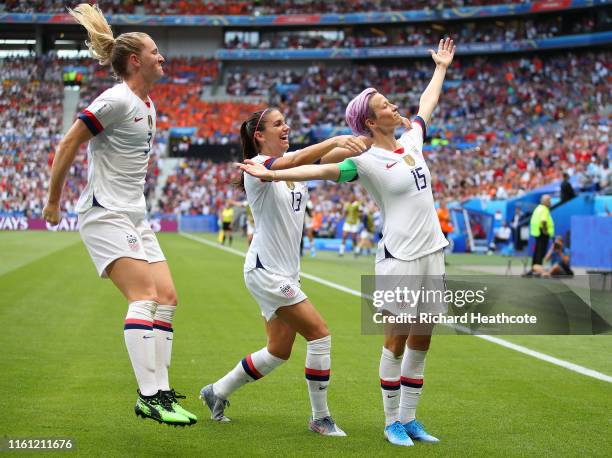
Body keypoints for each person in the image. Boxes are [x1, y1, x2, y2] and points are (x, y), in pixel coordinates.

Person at [238, 37, 456, 447]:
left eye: (391, 103)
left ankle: (411, 419)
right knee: (396, 340)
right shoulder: (365, 161)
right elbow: (320, 172)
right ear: (371, 123)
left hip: (432, 252)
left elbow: (427, 105)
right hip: (400, 256)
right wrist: (273, 175)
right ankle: (391, 422)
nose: (394, 107)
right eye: (385, 106)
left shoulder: (412, 140)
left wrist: (440, 67)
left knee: (423, 338)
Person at [41, 3, 196, 425]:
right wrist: (53, 202)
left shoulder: (147, 105)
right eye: (155, 52)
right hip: (105, 212)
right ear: (134, 60)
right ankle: (149, 397)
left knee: (167, 298)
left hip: (135, 215)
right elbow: (68, 144)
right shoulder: (114, 99)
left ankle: (162, 392)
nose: (162, 57)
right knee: (143, 297)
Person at [200, 107, 370, 436]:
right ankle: (320, 418)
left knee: (278, 351)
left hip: (286, 272)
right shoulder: (257, 167)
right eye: (278, 124)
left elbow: (326, 157)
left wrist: (366, 142)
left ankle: (217, 391)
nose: (286, 127)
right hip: (267, 272)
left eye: (285, 122)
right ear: (259, 136)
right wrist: (335, 138)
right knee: (320, 335)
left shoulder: (294, 162)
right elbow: (295, 161)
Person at [528, 194, 554, 274]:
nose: (550, 202)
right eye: (549, 200)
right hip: (542, 233)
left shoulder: (538, 208)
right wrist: (545, 231)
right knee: (540, 252)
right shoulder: (544, 209)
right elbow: (543, 221)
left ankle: (534, 268)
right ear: (545, 201)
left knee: (537, 251)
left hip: (537, 233)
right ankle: (538, 269)